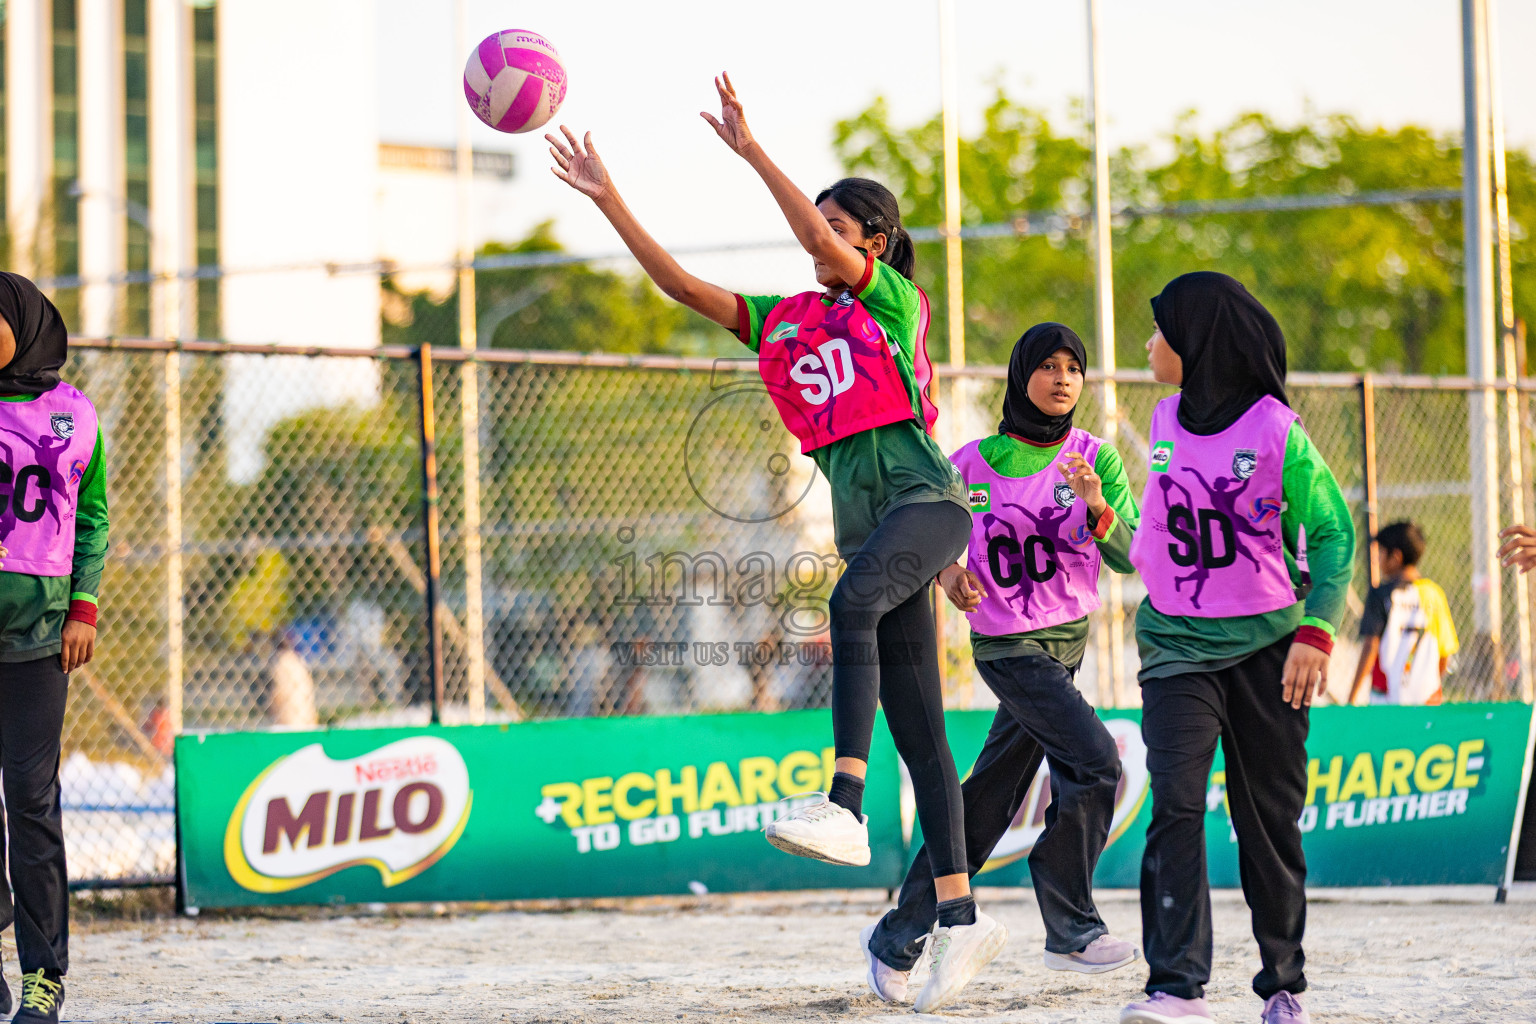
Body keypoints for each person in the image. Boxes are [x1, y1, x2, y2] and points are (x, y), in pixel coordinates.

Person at [547, 75, 995, 998]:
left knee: (847, 604)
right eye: (819, 227)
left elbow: (809, 237)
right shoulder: (785, 322)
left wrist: (754, 152)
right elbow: (677, 284)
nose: (820, 240)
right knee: (924, 739)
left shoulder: (893, 303)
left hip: (928, 504)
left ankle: (842, 803)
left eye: (837, 229)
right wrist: (609, 197)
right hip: (877, 530)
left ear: (869, 243)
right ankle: (957, 923)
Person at [859, 324, 1141, 1011]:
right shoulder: (969, 464)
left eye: (1074, 367)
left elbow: (1135, 556)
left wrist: (1097, 507)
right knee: (1100, 762)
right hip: (1007, 649)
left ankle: (897, 937)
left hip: (1064, 648)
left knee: (984, 805)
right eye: (1048, 366)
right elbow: (924, 534)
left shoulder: (1095, 458)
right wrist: (950, 571)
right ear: (1022, 378)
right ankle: (1069, 921)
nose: (1064, 378)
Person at [1121, 273, 1353, 1024]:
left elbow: (1334, 532)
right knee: (1177, 808)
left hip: (1268, 651)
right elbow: (1155, 539)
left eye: (1161, 330)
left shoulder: (1275, 430)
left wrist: (1315, 632)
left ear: (1200, 340)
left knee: (1268, 822)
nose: (1150, 343)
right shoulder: (1160, 419)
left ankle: (1282, 984)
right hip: (1176, 649)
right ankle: (1175, 987)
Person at [0, 272, 110, 1024]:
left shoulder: (74, 414)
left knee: (32, 806)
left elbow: (93, 518)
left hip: (39, 642)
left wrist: (84, 609)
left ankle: (45, 975)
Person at [1347, 521, 1459, 706]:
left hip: (1386, 699)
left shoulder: (1381, 594)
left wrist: (1352, 696)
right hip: (1426, 699)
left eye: (1381, 553)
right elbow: (1445, 651)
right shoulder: (1434, 594)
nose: (1378, 559)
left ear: (1396, 557)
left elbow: (1371, 646)